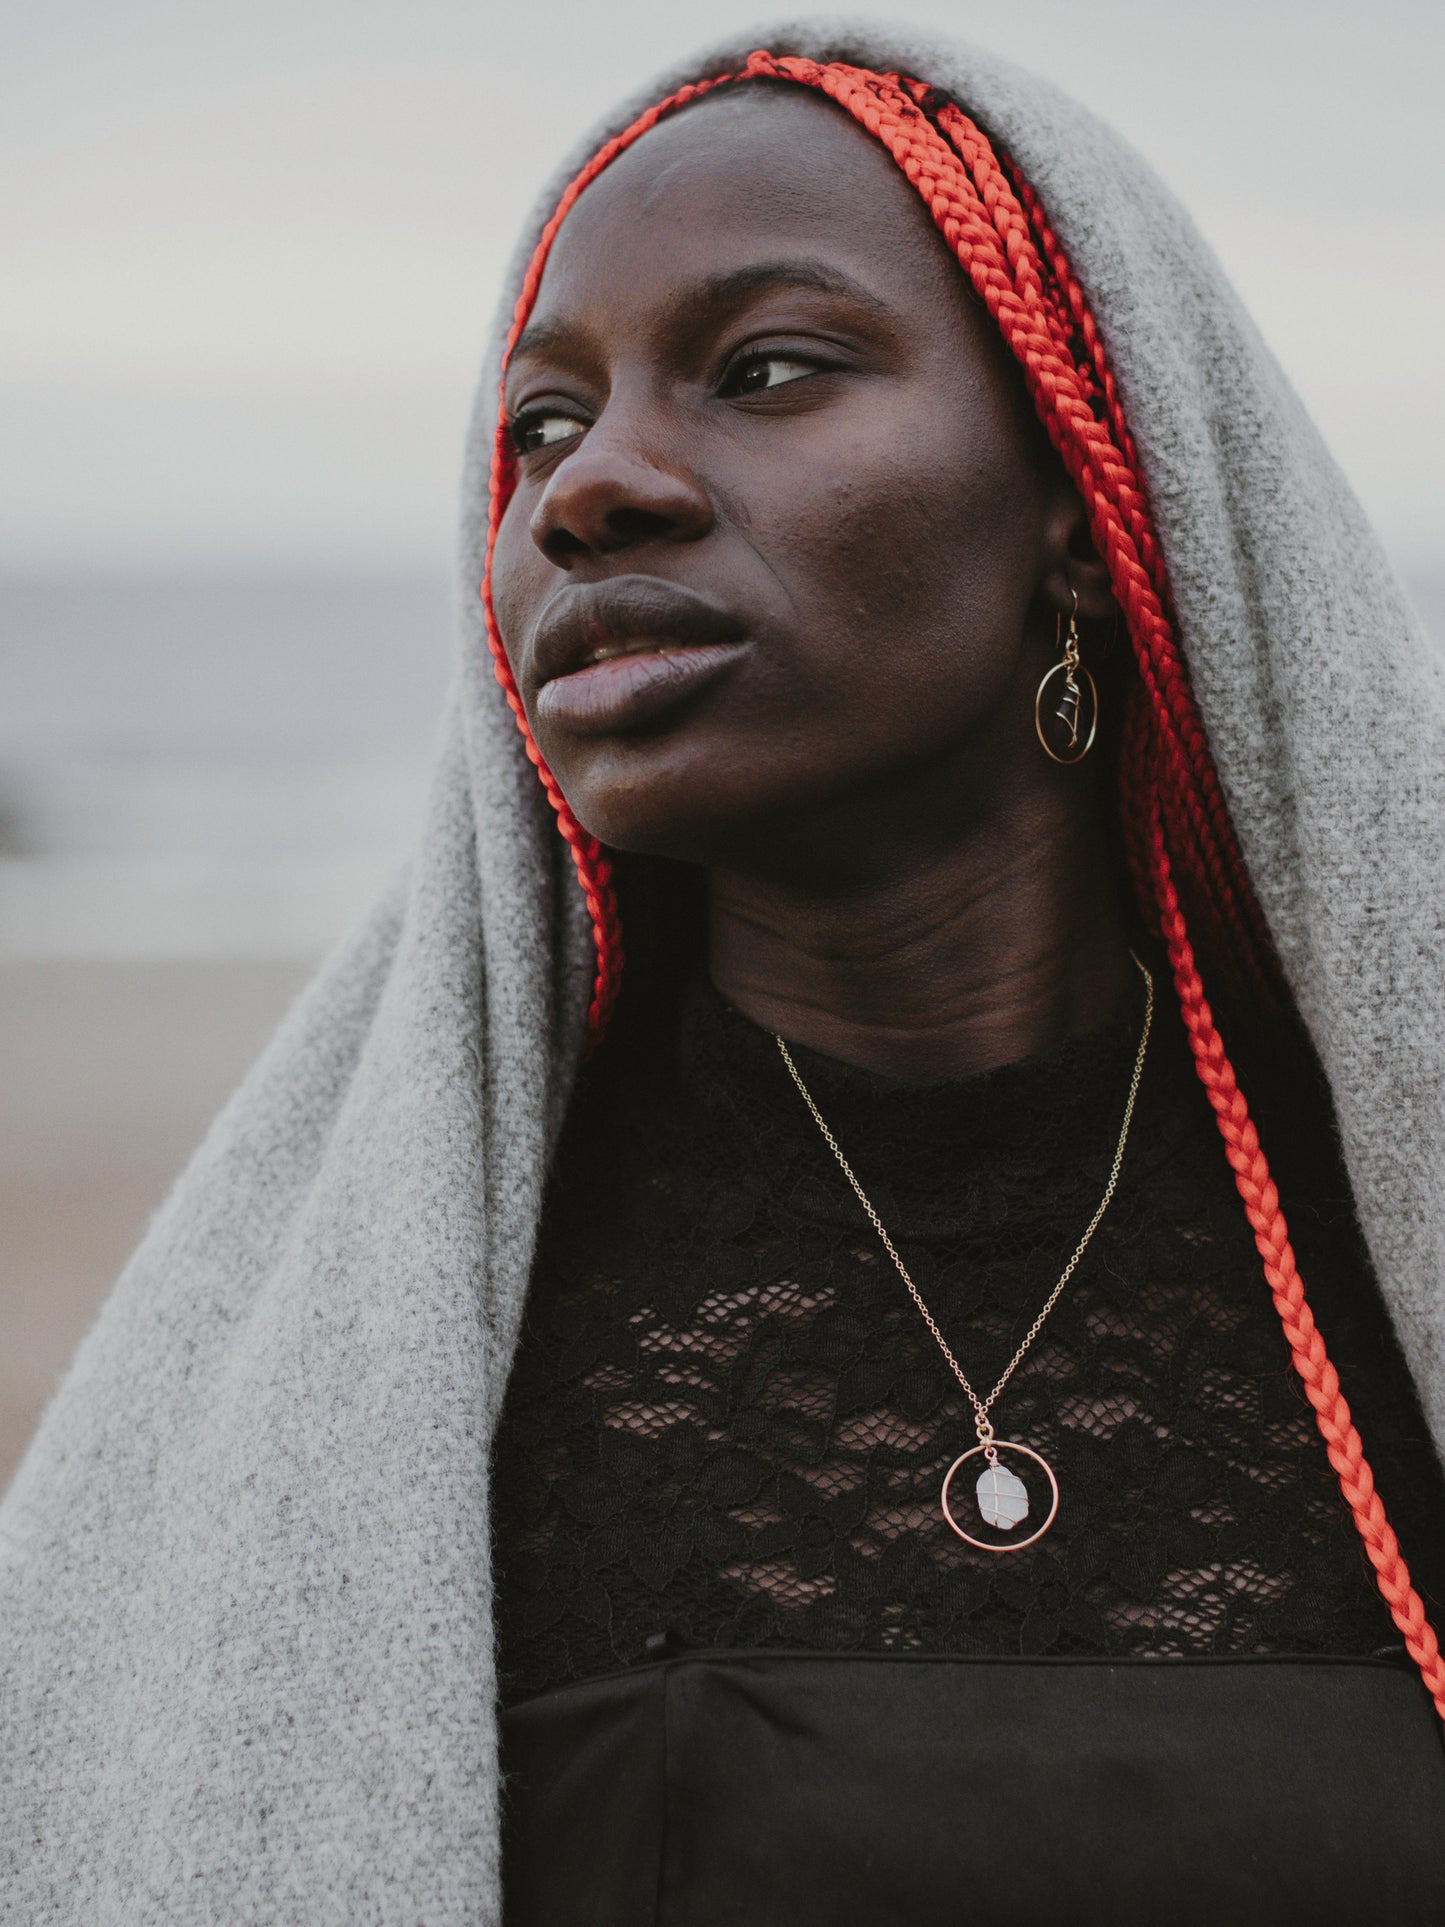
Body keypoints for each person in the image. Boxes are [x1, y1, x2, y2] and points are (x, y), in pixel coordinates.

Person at [4, 24, 1444, 1926]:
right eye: (537, 426)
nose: (586, 491)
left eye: (767, 369)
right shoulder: (396, 1346)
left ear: (1083, 508)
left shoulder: (1381, 1243)